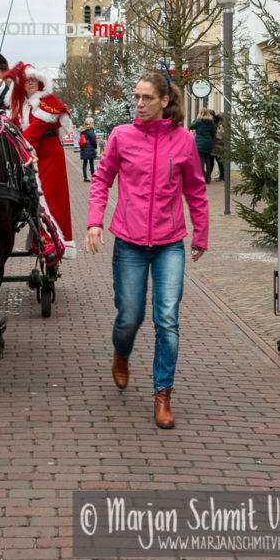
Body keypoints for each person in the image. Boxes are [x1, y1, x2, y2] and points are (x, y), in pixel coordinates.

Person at [85, 72, 208, 429]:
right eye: (136, 97)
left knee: (167, 319)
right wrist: (95, 220)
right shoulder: (122, 136)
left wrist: (201, 233)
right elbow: (102, 179)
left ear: (165, 101)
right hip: (129, 241)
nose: (138, 104)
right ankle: (121, 353)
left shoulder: (184, 140)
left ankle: (162, 394)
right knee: (129, 315)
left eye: (146, 98)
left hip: (170, 243)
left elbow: (196, 191)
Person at [5, 62, 75, 258]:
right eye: (27, 80)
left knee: (50, 199)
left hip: (48, 155)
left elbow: (34, 131)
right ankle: (38, 240)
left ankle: (53, 242)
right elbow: (13, 127)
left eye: (34, 79)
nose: (31, 83)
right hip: (25, 154)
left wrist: (14, 144)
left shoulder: (47, 101)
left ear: (40, 81)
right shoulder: (17, 105)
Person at [189, 108, 216, 183]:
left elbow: (191, 126)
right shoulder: (211, 122)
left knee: (201, 160)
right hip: (208, 143)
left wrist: (196, 119)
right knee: (208, 160)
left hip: (200, 143)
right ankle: (208, 178)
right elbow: (213, 133)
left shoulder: (198, 121)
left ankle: (202, 176)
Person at [79, 117, 98, 182]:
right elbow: (93, 139)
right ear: (90, 122)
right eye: (92, 122)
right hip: (90, 148)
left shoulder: (83, 129)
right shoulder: (90, 130)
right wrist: (95, 146)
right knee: (91, 163)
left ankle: (85, 177)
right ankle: (93, 177)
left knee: (85, 163)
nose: (93, 123)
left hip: (84, 147)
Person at [209, 110, 225, 183]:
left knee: (212, 162)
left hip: (214, 144)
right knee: (219, 162)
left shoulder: (215, 124)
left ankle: (208, 176)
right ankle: (222, 176)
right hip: (219, 145)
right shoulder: (222, 123)